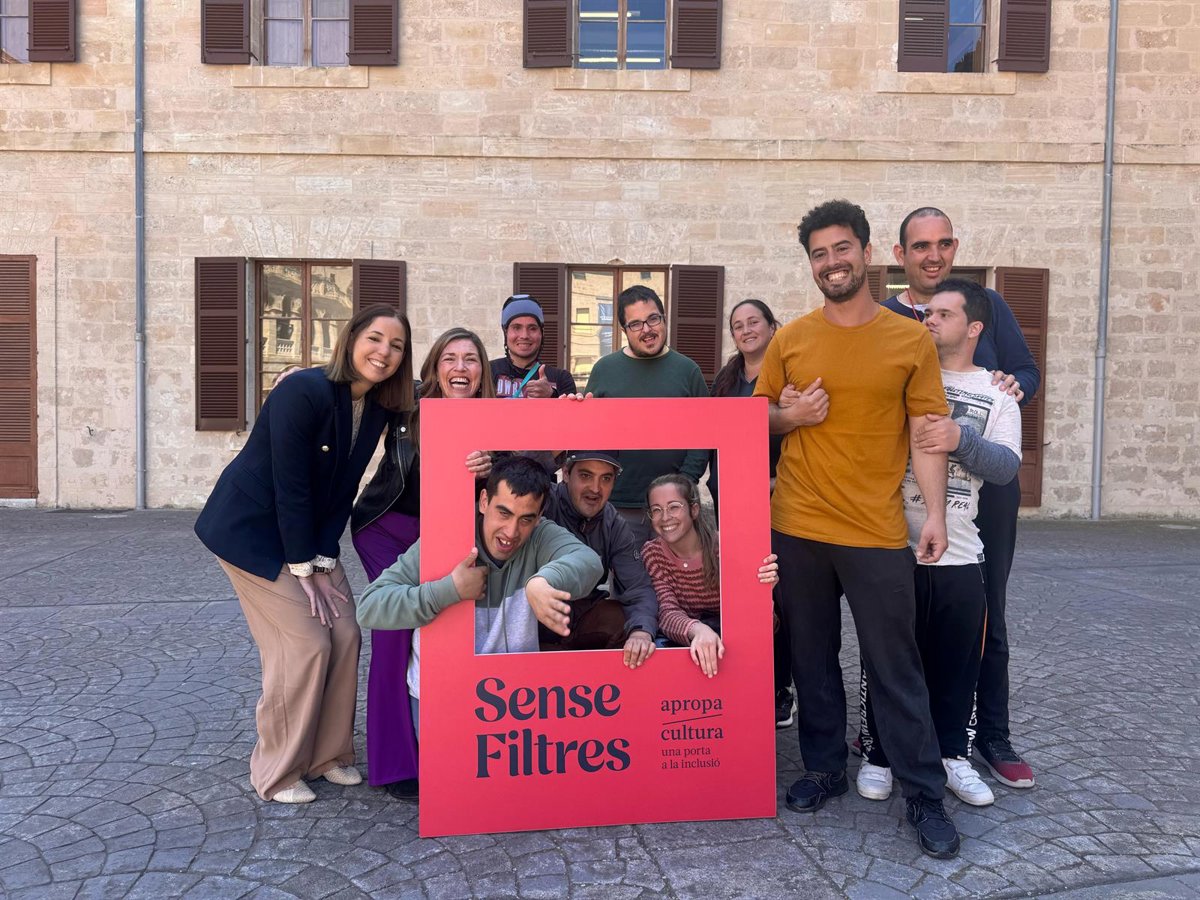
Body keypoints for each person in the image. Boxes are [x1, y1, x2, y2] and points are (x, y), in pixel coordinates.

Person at [756, 199, 961, 859]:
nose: (831, 262)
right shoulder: (791, 338)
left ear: (867, 253)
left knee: (895, 664)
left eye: (841, 248)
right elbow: (756, 418)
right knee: (812, 658)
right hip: (799, 524)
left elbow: (926, 432)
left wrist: (935, 514)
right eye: (819, 254)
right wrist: (790, 419)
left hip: (875, 530)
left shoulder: (909, 340)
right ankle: (824, 769)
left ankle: (923, 792)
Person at [194, 304, 414, 804]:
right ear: (351, 338)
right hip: (251, 532)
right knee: (305, 643)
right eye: (375, 338)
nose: (383, 352)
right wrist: (304, 569)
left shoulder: (376, 408)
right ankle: (277, 770)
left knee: (346, 630)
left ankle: (328, 755)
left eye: (396, 346)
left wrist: (324, 560)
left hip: (308, 537)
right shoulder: (302, 390)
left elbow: (343, 489)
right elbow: (290, 487)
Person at [884, 207, 1040, 788]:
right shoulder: (888, 317)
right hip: (902, 497)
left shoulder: (986, 304)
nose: (934, 255)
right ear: (900, 255)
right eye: (921, 245)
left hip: (981, 494)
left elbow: (1025, 372)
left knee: (985, 611)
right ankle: (890, 735)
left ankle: (990, 734)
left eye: (944, 244)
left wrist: (1012, 384)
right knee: (894, 619)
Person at [857, 279, 1022, 809]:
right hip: (890, 544)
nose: (930, 320)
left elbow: (1006, 468)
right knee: (885, 660)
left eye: (944, 314)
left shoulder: (999, 394)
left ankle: (953, 756)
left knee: (957, 665)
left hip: (961, 551)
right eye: (928, 313)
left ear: (974, 328)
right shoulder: (899, 378)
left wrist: (959, 438)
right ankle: (879, 754)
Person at [356, 456, 605, 737]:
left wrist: (543, 581)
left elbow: (589, 562)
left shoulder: (540, 535)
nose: (511, 531)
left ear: (539, 516)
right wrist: (448, 590)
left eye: (526, 519)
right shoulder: (446, 539)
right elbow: (370, 607)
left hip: (512, 700)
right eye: (504, 513)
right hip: (442, 697)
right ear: (484, 501)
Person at [350, 327, 495, 800]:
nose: (460, 368)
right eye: (449, 358)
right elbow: (357, 385)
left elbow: (531, 460)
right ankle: (395, 763)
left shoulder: (495, 419)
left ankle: (445, 742)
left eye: (470, 359)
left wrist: (490, 468)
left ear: (482, 372)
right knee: (394, 631)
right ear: (434, 368)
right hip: (388, 529)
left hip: (444, 534)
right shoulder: (407, 406)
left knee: (442, 628)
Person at [707, 298, 793, 727]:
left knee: (780, 599)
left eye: (753, 321)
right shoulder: (726, 382)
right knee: (742, 599)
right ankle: (748, 682)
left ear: (772, 326)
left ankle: (780, 689)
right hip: (732, 507)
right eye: (737, 325)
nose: (745, 330)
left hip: (780, 506)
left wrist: (774, 483)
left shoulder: (788, 378)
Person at [584, 285, 709, 546]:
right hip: (618, 504)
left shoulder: (688, 371)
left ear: (664, 318)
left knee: (676, 573)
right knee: (622, 572)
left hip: (673, 508)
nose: (647, 329)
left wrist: (683, 485)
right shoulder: (604, 370)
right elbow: (589, 434)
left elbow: (704, 436)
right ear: (624, 330)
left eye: (653, 319)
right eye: (636, 324)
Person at [640, 474, 780, 679]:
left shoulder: (726, 547)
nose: (665, 517)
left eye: (674, 507)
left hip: (736, 643)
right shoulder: (653, 554)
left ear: (694, 510)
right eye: (656, 510)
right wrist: (698, 630)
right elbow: (667, 612)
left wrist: (763, 590)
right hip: (688, 638)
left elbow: (763, 623)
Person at [540, 450, 659, 667]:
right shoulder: (542, 501)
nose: (595, 489)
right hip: (534, 620)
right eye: (585, 476)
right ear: (565, 473)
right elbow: (511, 478)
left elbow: (638, 587)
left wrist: (641, 632)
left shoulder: (613, 523)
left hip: (582, 616)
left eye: (606, 478)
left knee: (623, 620)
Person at [491, 294, 577, 399]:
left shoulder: (562, 378)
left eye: (532, 328)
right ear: (506, 333)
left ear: (542, 333)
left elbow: (570, 410)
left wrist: (551, 395)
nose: (524, 335)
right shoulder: (487, 372)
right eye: (516, 327)